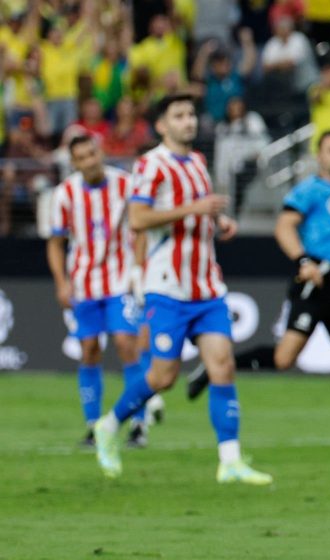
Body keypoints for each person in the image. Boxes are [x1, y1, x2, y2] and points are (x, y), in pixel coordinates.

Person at [187, 130, 330, 459]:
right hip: (315, 282)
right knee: (284, 359)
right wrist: (303, 261)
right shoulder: (310, 189)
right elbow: (284, 225)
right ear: (319, 156)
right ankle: (215, 367)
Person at [91, 94, 273, 486]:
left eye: (191, 114)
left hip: (206, 286)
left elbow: (199, 211)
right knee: (163, 376)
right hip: (167, 289)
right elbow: (138, 218)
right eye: (179, 115)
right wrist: (193, 210)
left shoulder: (197, 162)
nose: (188, 121)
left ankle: (230, 461)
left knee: (222, 366)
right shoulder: (150, 164)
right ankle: (110, 424)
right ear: (162, 125)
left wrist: (219, 222)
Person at [46, 135, 157, 448]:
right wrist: (61, 282)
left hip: (121, 280)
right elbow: (55, 243)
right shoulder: (65, 194)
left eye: (92, 153)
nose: (89, 161)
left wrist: (138, 268)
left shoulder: (125, 184)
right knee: (89, 349)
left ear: (101, 151)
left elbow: (141, 231)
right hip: (83, 283)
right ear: (75, 163)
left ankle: (138, 424)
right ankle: (94, 426)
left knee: (126, 343)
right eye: (81, 157)